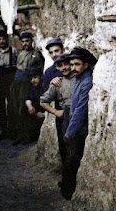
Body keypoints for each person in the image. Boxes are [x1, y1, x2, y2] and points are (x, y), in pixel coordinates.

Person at [61, 47, 97, 201]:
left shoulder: (87, 82)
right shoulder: (79, 79)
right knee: (70, 157)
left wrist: (70, 132)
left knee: (73, 159)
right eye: (72, 64)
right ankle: (66, 184)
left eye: (77, 64)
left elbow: (81, 110)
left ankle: (68, 189)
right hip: (74, 126)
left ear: (86, 65)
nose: (73, 68)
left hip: (79, 130)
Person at [8, 32, 44, 144]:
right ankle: (18, 135)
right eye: (23, 41)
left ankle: (27, 135)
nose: (25, 43)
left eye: (27, 41)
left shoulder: (37, 54)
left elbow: (40, 70)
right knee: (13, 108)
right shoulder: (20, 53)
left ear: (31, 41)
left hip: (27, 84)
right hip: (17, 83)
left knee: (23, 109)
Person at [40, 53, 75, 164]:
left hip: (79, 116)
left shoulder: (80, 79)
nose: (64, 68)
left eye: (66, 64)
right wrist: (56, 111)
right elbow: (43, 101)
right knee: (65, 147)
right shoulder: (57, 83)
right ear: (57, 68)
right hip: (64, 118)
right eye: (60, 66)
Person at [0, 30, 18, 140]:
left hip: (10, 79)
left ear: (7, 39)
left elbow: (17, 66)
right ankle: (4, 130)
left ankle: (13, 130)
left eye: (3, 39)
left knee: (12, 105)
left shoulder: (13, 51)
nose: (2, 41)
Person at [23, 67, 45, 143]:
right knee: (24, 109)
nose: (33, 80)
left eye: (35, 77)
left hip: (46, 110)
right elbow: (28, 98)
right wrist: (30, 106)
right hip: (37, 109)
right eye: (31, 78)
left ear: (40, 77)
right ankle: (30, 135)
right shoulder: (32, 87)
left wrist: (44, 114)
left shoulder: (45, 86)